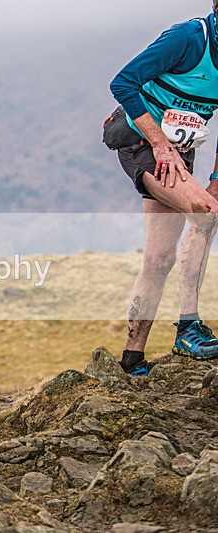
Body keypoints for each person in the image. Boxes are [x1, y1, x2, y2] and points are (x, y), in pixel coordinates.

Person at [105, 2, 218, 376]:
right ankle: (188, 327)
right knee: (206, 214)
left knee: (159, 259)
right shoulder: (188, 38)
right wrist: (159, 143)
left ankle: (131, 359)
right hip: (143, 142)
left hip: (179, 152)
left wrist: (216, 178)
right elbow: (122, 82)